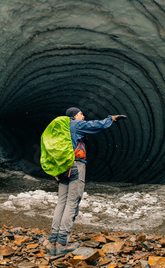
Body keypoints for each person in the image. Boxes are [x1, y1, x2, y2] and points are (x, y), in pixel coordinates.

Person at [46, 107, 120, 255]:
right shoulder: (75, 124)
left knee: (62, 201)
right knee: (72, 202)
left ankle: (53, 240)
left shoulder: (61, 128)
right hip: (75, 166)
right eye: (80, 114)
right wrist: (110, 119)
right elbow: (95, 125)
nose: (83, 116)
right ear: (74, 116)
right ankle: (62, 243)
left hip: (62, 168)